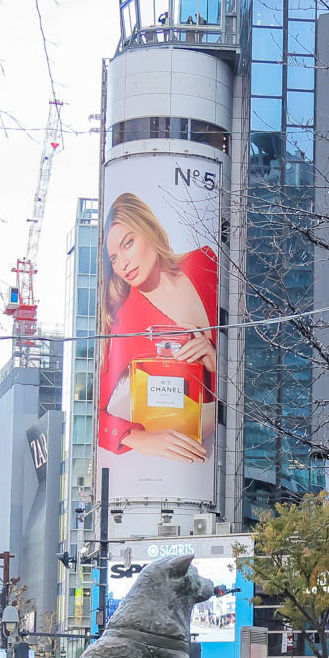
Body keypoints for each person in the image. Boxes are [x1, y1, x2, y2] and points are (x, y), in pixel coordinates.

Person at [95, 191, 219, 464]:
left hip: (236, 454)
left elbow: (256, 368)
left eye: (128, 243)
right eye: (113, 258)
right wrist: (138, 437)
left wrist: (218, 364)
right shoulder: (124, 323)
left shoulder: (206, 262)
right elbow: (94, 415)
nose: (123, 264)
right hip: (181, 467)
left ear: (149, 229)